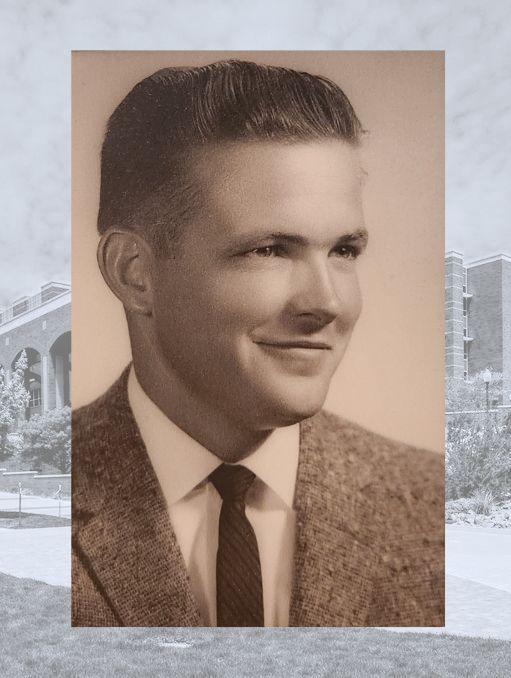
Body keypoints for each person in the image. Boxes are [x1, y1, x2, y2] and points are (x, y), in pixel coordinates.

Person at [72, 59, 444, 627]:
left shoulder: (430, 508)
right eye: (269, 249)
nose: (328, 303)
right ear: (134, 272)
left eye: (344, 251)